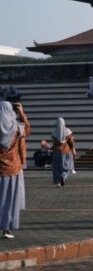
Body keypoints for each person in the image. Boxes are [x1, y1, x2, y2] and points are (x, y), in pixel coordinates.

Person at [0, 102, 30, 239]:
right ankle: (6, 229)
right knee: (9, 200)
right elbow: (28, 130)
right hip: (13, 169)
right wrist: (21, 113)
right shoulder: (18, 128)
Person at [51, 118, 75, 187]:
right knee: (67, 165)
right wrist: (73, 149)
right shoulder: (68, 131)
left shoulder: (54, 133)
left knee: (56, 168)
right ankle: (64, 175)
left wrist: (51, 148)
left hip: (56, 152)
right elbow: (71, 142)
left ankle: (58, 182)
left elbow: (55, 144)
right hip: (66, 151)